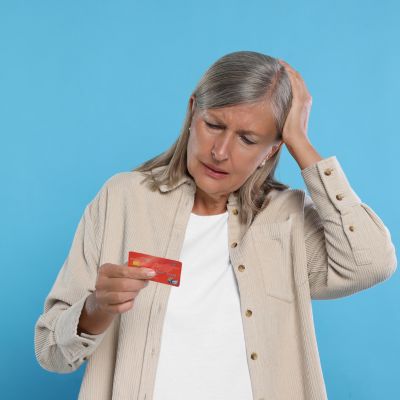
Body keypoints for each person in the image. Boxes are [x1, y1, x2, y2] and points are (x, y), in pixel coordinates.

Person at [34, 51, 397, 400]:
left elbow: (371, 262)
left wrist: (301, 143)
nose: (220, 151)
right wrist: (96, 310)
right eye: (214, 125)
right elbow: (50, 350)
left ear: (272, 150)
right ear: (193, 112)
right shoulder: (123, 200)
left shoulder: (286, 220)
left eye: (248, 139)